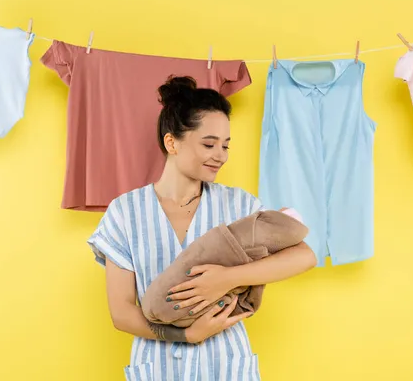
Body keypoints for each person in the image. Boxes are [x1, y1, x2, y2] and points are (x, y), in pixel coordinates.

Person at [87, 75, 317, 381]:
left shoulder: (239, 205)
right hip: (157, 366)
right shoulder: (125, 212)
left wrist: (226, 279)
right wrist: (186, 336)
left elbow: (304, 256)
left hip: (226, 364)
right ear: (172, 142)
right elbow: (122, 312)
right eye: (209, 144)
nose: (220, 155)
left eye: (225, 145)